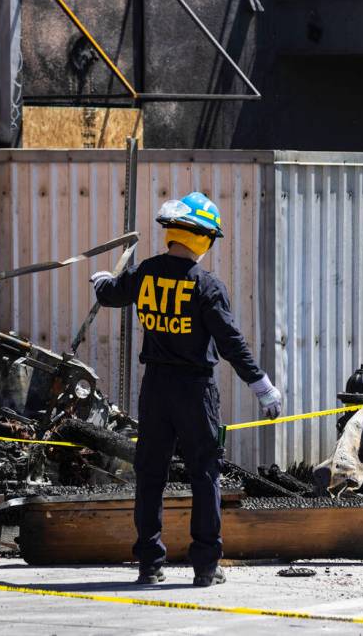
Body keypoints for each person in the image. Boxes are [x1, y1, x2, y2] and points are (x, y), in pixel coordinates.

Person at [90, 191, 281, 587]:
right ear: (205, 238)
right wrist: (261, 385)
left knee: (150, 475)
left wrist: (102, 283)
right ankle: (206, 567)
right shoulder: (207, 286)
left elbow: (112, 294)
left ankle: (149, 564)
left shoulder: (145, 272)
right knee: (205, 475)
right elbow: (231, 343)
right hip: (195, 392)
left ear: (172, 233)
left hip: (156, 389)